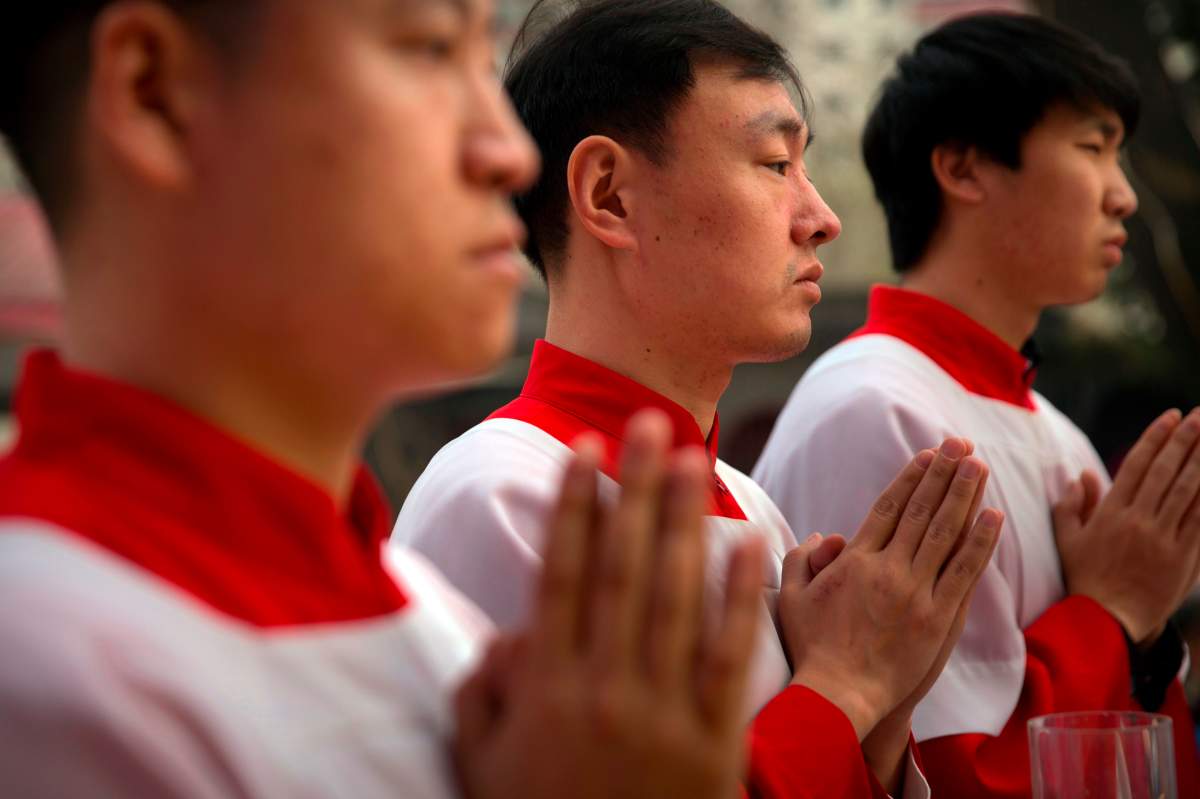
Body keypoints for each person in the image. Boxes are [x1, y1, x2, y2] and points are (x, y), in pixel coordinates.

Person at [0, 0, 813, 796]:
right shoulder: (50, 662)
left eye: (481, 63)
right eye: (428, 50)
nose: (508, 155)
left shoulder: (431, 623)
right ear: (156, 92)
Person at [393, 1, 1003, 795]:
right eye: (775, 164)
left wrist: (882, 710)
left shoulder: (753, 508)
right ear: (609, 194)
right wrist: (842, 688)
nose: (820, 219)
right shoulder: (501, 497)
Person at [753, 12, 1200, 797]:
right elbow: (938, 768)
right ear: (963, 167)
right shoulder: (873, 408)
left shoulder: (1054, 430)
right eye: (1092, 148)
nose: (1124, 196)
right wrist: (1115, 608)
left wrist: (1146, 627)